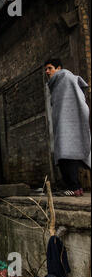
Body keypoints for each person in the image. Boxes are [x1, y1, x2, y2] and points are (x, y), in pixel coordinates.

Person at [45, 58, 91, 196]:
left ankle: (74, 188)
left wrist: (78, 118)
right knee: (64, 155)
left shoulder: (65, 78)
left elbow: (79, 99)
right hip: (62, 123)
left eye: (50, 68)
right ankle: (75, 188)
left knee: (66, 154)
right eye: (46, 69)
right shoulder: (56, 84)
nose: (47, 72)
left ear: (58, 68)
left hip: (69, 122)